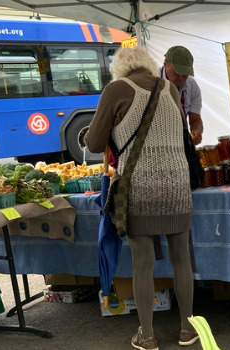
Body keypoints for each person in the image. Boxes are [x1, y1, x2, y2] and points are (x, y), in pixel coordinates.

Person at [84, 46, 197, 350]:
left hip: (139, 184)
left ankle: (147, 336)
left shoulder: (115, 89)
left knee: (143, 264)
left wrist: (89, 134)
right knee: (181, 259)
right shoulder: (170, 88)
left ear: (119, 68)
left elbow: (95, 142)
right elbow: (180, 132)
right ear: (149, 65)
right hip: (176, 181)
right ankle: (188, 330)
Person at [161, 45, 204, 146]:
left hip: (182, 143)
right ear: (165, 64)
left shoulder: (192, 85)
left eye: (185, 73)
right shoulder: (152, 81)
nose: (180, 77)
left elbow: (195, 119)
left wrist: (196, 132)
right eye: (177, 71)